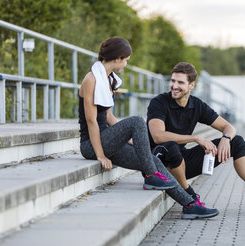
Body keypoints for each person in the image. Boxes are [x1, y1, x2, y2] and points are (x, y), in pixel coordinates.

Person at [79, 37, 218, 219]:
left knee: (154, 160)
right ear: (118, 58)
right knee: (137, 121)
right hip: (91, 144)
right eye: (127, 59)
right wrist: (100, 154)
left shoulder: (108, 79)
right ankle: (151, 175)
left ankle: (190, 204)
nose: (127, 63)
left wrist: (133, 140)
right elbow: (91, 121)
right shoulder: (91, 79)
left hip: (108, 140)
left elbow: (108, 117)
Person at [147, 62, 245, 215]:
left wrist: (226, 139)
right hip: (159, 164)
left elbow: (229, 127)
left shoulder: (197, 105)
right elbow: (158, 136)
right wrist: (196, 138)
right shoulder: (159, 102)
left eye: (180, 82)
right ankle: (190, 197)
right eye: (173, 81)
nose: (174, 86)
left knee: (237, 141)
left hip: (181, 163)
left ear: (191, 85)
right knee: (171, 147)